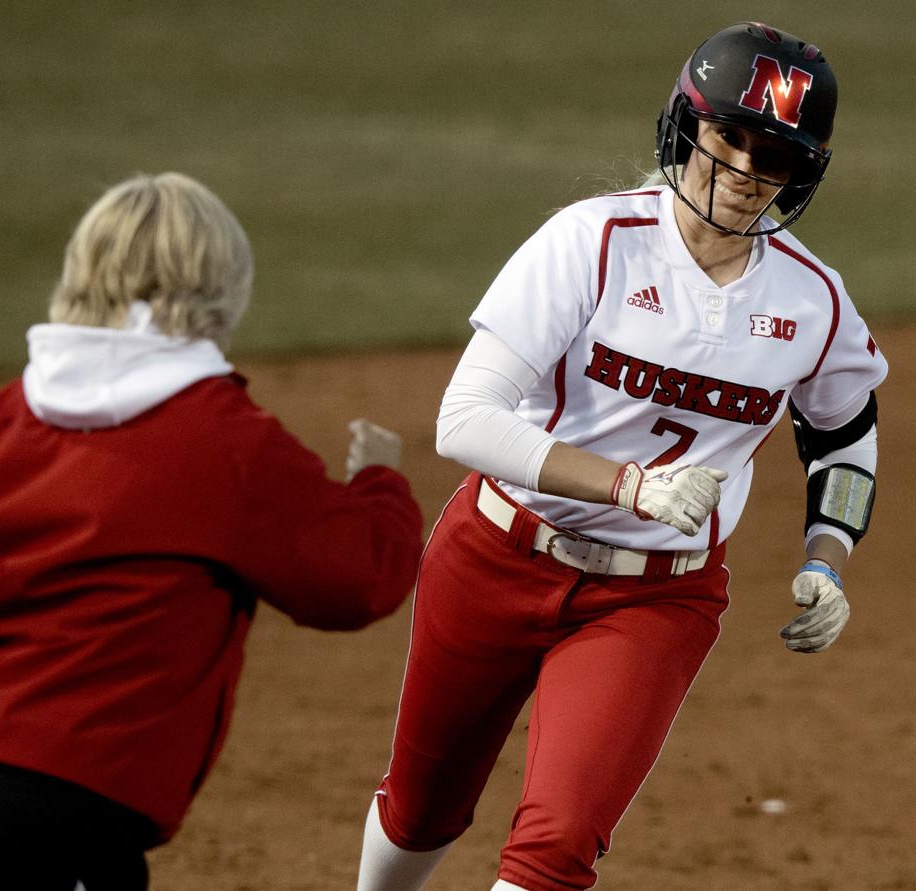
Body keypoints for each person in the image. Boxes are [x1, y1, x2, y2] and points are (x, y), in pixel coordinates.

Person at [0, 171, 424, 890]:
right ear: (223, 287)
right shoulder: (229, 445)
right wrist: (379, 481)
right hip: (62, 812)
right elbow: (358, 580)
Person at [355, 22, 886, 891]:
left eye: (776, 157)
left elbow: (844, 427)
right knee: (422, 804)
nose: (747, 171)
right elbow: (464, 420)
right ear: (689, 127)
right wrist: (630, 486)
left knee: (556, 848)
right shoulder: (593, 241)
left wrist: (829, 555)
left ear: (804, 174)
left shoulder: (815, 300)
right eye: (730, 136)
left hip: (656, 595)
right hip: (495, 555)